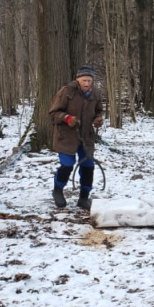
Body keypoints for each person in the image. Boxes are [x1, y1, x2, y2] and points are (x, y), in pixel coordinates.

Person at [48, 65, 105, 209]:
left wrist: (97, 119)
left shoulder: (95, 94)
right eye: (84, 80)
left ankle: (84, 198)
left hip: (86, 137)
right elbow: (53, 114)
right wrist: (67, 118)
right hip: (66, 136)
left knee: (88, 166)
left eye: (89, 80)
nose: (87, 83)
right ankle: (58, 190)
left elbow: (99, 111)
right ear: (78, 79)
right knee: (67, 164)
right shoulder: (66, 92)